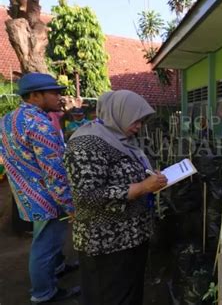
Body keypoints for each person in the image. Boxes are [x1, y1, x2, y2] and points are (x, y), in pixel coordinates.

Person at [64, 90, 168, 305]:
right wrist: (142, 187)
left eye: (142, 121)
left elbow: (121, 175)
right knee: (109, 296)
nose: (139, 126)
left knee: (128, 293)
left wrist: (149, 178)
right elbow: (86, 196)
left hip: (129, 237)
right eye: (136, 119)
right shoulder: (87, 143)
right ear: (119, 112)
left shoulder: (119, 139)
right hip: (106, 244)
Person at [0, 73, 80, 304]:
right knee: (45, 245)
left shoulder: (8, 119)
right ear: (35, 96)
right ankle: (44, 293)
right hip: (47, 197)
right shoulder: (40, 124)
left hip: (26, 194)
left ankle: (57, 268)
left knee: (43, 239)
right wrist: (70, 205)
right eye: (53, 92)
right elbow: (55, 172)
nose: (59, 96)